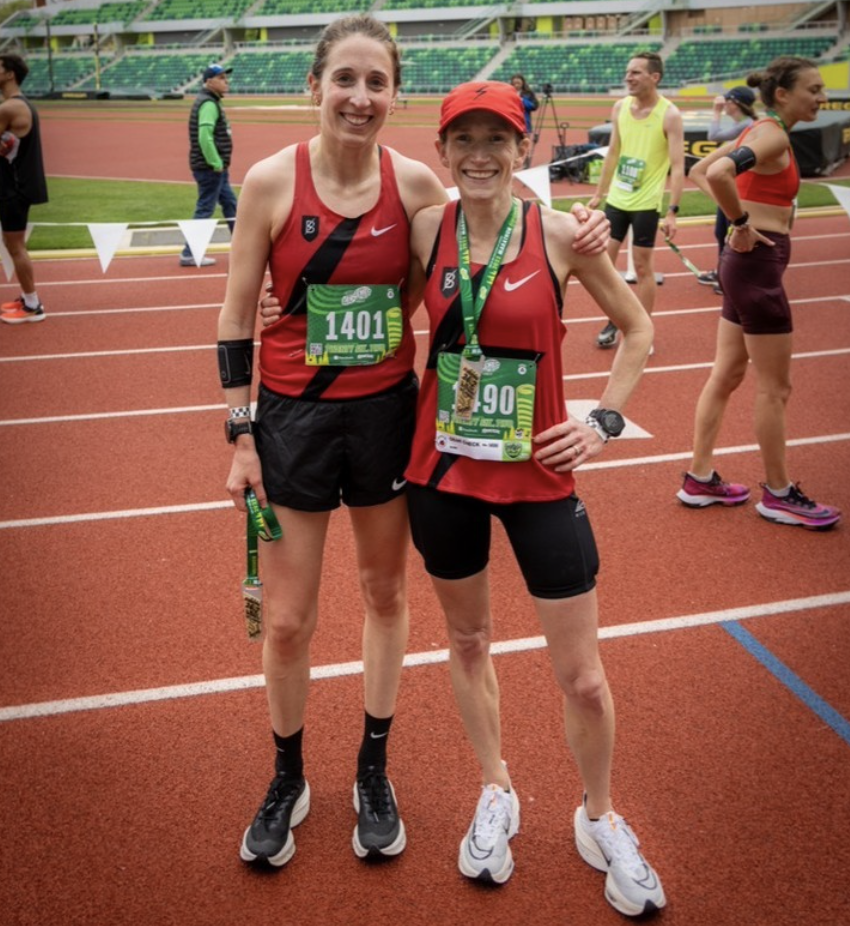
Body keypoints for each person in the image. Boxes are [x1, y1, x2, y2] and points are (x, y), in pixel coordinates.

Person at [218, 15, 613, 870]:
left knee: (384, 596)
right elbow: (233, 315)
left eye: (376, 83)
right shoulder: (268, 183)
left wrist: (589, 232)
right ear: (314, 85)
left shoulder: (417, 190)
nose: (360, 97)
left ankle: (373, 768)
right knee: (286, 622)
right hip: (290, 420)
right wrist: (241, 435)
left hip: (391, 416)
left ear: (394, 97)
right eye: (345, 79)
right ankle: (288, 775)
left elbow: (497, 215)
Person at [403, 81, 664, 917]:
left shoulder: (560, 234)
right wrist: (279, 310)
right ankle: (496, 789)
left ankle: (599, 817)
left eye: (498, 139)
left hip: (541, 473)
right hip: (440, 475)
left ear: (523, 150)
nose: (480, 155)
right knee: (469, 640)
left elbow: (640, 327)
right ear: (443, 152)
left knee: (582, 677)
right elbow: (373, 307)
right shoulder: (423, 230)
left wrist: (606, 419)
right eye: (464, 140)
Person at [678, 57, 840, 530]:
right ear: (784, 94)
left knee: (726, 373)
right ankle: (779, 493)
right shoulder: (772, 134)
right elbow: (719, 174)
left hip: (742, 266)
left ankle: (699, 477)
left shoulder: (759, 129)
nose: (822, 96)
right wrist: (743, 223)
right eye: (813, 88)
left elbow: (700, 172)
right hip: (756, 268)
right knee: (776, 387)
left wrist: (739, 218)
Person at [588, 51, 684, 349]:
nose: (628, 77)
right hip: (617, 199)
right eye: (627, 72)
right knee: (604, 267)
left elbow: (678, 165)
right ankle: (614, 320)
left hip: (646, 204)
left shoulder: (669, 114)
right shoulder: (620, 107)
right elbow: (613, 153)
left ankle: (643, 330)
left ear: (654, 77)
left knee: (643, 269)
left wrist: (672, 212)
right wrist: (598, 194)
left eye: (636, 73)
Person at [0, 53, 48, 324]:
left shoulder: (9, 108)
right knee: (13, 243)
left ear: (9, 74)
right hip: (16, 185)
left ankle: (32, 305)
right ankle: (27, 297)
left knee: (16, 246)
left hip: (15, 188)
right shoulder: (17, 105)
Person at [697, 86, 757, 292]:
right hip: (731, 183)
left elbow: (713, 135)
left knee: (728, 232)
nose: (724, 105)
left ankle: (729, 277)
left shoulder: (747, 125)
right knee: (721, 231)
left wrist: (715, 112)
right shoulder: (744, 124)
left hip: (736, 187)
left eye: (727, 101)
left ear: (735, 103)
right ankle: (724, 271)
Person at [180, 63, 237, 267]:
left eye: (225, 77)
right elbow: (205, 136)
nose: (226, 81)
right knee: (205, 208)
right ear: (209, 81)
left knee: (231, 205)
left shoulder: (210, 101)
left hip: (215, 168)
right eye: (221, 78)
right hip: (210, 168)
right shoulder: (208, 104)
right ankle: (190, 253)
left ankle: (243, 249)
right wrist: (216, 162)